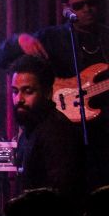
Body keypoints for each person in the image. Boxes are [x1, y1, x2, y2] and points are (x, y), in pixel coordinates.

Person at [0, 0, 109, 191]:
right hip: (58, 134)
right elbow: (0, 58)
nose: (87, 9)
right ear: (67, 9)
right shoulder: (52, 38)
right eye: (79, 6)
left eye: (91, 3)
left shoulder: (105, 38)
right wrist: (19, 41)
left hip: (101, 137)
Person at [7, 56, 83, 196]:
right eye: (15, 91)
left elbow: (60, 194)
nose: (19, 99)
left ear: (47, 93)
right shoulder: (30, 129)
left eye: (28, 91)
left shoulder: (57, 131)